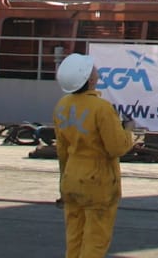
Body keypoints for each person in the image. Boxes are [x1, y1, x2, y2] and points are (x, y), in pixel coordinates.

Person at [53, 53, 138, 258]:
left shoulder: (62, 106)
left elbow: (62, 151)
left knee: (74, 239)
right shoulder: (101, 108)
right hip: (97, 183)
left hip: (71, 180)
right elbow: (116, 147)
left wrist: (62, 185)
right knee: (95, 241)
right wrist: (129, 132)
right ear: (89, 79)